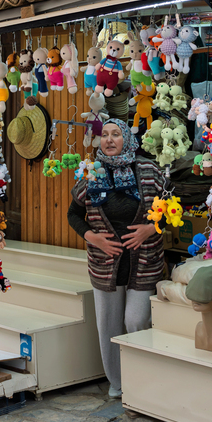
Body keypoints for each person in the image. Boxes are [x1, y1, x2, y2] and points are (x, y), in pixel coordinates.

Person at [66, 119, 167, 398]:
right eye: (105, 135)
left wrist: (151, 228)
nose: (109, 140)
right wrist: (93, 237)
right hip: (105, 264)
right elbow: (73, 214)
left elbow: (171, 209)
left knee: (135, 320)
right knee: (108, 326)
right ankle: (118, 382)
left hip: (144, 261)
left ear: (127, 139)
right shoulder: (90, 173)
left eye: (116, 135)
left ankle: (144, 379)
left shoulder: (148, 170)